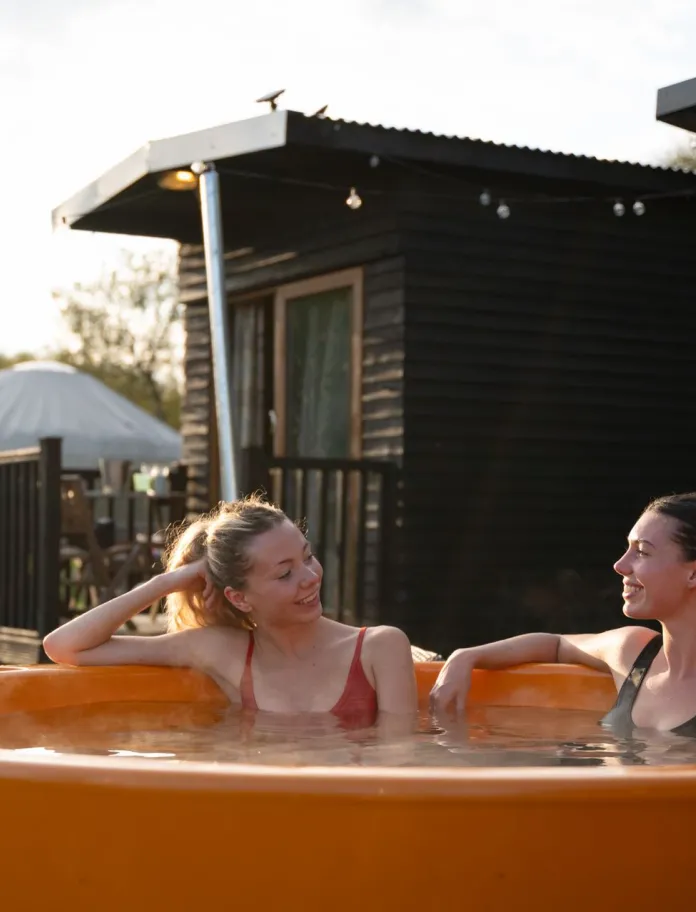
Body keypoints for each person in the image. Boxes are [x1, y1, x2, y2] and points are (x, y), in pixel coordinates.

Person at [44, 495, 418, 723]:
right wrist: (168, 581)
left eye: (308, 557)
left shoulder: (380, 649)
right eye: (285, 573)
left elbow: (395, 765)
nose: (310, 577)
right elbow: (64, 647)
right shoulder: (222, 650)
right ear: (239, 597)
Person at [430, 492, 696, 736]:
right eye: (627, 549)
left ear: (693, 573)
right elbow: (556, 644)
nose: (620, 565)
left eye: (642, 552)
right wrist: (465, 656)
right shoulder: (634, 653)